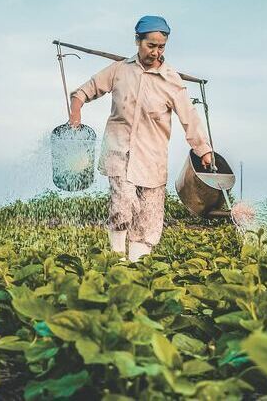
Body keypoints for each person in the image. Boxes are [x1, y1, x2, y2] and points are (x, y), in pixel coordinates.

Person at [68, 15, 213, 262]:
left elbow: (190, 117)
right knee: (123, 203)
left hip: (152, 157)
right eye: (150, 46)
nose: (156, 52)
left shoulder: (171, 80)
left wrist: (203, 150)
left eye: (161, 47)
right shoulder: (119, 71)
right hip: (119, 151)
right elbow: (84, 91)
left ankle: (137, 267)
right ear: (138, 41)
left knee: (148, 217)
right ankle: (116, 261)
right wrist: (76, 111)